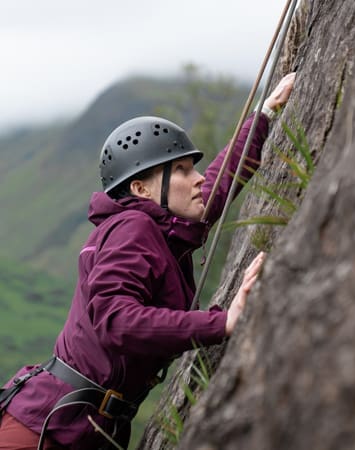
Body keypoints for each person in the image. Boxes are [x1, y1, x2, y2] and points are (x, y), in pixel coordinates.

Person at [0, 72, 295, 449]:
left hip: (73, 426)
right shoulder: (132, 227)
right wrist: (221, 323)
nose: (199, 178)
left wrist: (263, 116)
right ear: (140, 189)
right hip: (44, 432)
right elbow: (116, 321)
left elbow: (217, 187)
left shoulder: (160, 230)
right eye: (184, 171)